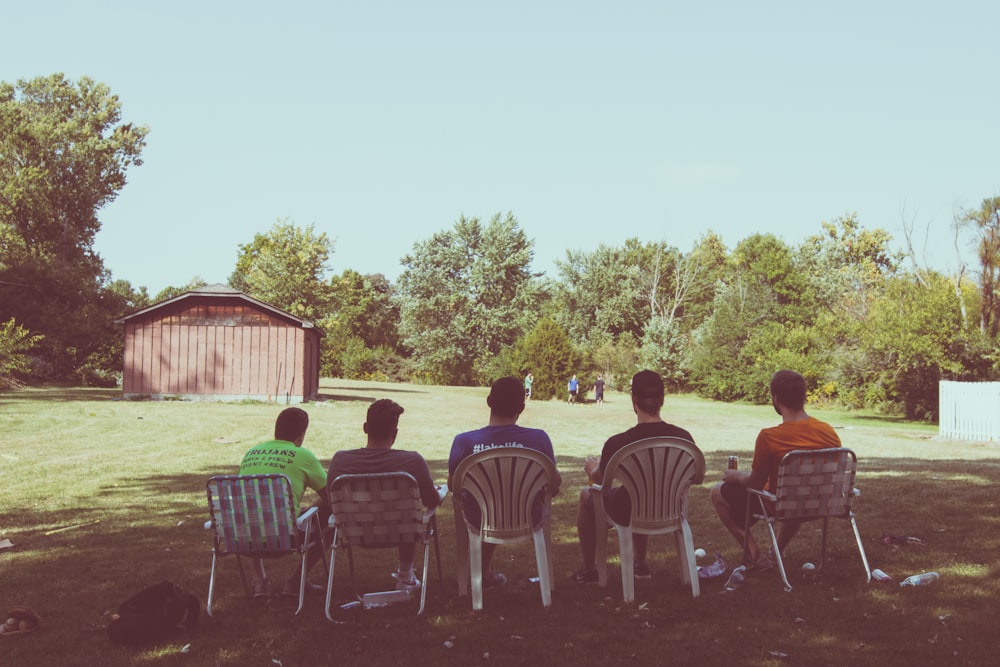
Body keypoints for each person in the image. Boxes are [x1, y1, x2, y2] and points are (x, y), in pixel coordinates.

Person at [710, 369, 841, 572]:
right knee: (795, 492)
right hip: (821, 503)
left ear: (776, 398)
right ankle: (776, 552)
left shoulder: (770, 437)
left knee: (717, 491)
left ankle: (756, 556)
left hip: (782, 504)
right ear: (803, 397)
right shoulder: (828, 431)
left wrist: (736, 476)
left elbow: (754, 483)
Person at [573, 370, 697, 583]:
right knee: (639, 493)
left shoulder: (618, 443)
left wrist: (592, 468)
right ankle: (640, 565)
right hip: (670, 508)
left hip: (630, 510)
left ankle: (589, 570)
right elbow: (695, 477)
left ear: (634, 399)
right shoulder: (683, 438)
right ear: (662, 399)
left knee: (588, 495)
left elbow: (600, 481)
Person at [448, 376, 561, 590]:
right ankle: (484, 572)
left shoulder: (464, 442)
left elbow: (454, 486)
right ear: (522, 407)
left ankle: (481, 573)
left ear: (489, 401)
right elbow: (553, 485)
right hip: (529, 516)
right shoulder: (539, 439)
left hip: (480, 518)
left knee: (486, 504)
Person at [327, 399, 445, 590]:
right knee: (407, 515)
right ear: (395, 433)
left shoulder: (340, 460)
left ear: (365, 428)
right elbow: (430, 500)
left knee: (406, 514)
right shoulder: (412, 461)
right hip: (401, 532)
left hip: (354, 531)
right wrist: (440, 493)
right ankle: (405, 575)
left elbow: (333, 505)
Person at [238, 407, 329, 598]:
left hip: (243, 538)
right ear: (301, 434)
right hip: (286, 536)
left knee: (251, 512)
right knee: (331, 518)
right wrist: (310, 510)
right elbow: (332, 495)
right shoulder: (303, 455)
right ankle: (297, 580)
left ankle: (259, 581)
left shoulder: (251, 453)